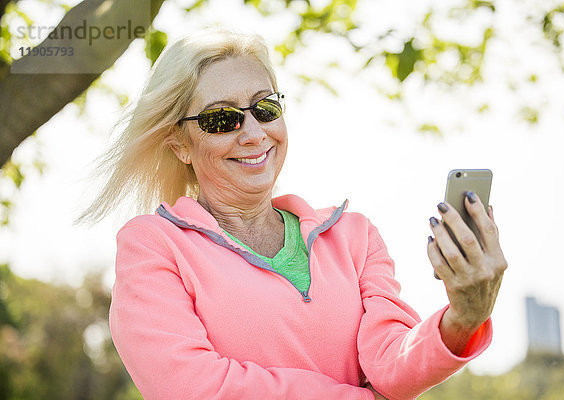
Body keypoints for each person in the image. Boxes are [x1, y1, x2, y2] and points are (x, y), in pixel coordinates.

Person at [84, 29, 507, 400]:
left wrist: (463, 319)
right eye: (221, 119)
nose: (253, 133)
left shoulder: (354, 236)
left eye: (265, 108)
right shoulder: (153, 246)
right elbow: (193, 389)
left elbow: (391, 364)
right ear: (179, 144)